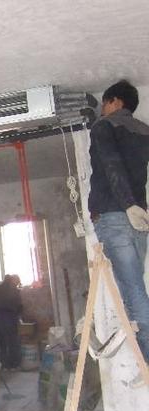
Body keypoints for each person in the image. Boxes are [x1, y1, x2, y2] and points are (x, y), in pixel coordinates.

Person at [88, 79, 149, 368]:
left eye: (105, 103)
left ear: (116, 102)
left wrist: (127, 204)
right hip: (138, 220)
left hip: (115, 216)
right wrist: (136, 207)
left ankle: (147, 361)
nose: (102, 109)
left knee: (133, 292)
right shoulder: (144, 131)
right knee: (134, 288)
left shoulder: (104, 126)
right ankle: (143, 357)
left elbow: (112, 164)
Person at [0, 274, 23, 370]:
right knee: (13, 341)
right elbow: (19, 306)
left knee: (1, 341)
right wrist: (19, 316)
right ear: (14, 281)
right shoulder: (15, 290)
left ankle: (3, 365)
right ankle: (14, 365)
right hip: (10, 316)